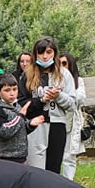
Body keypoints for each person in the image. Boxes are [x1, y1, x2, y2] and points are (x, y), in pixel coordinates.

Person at [24, 36, 76, 174]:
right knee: (35, 168)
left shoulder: (64, 74)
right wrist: (41, 100)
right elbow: (22, 104)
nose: (45, 57)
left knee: (53, 168)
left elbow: (72, 104)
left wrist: (58, 96)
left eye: (48, 52)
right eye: (41, 53)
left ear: (54, 53)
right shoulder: (27, 75)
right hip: (36, 125)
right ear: (35, 55)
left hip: (57, 123)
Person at [0, 73, 43, 163]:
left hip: (19, 157)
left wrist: (30, 124)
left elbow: (20, 128)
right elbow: (4, 131)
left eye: (14, 89)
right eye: (7, 90)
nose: (12, 93)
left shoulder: (17, 106)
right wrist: (20, 116)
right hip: (3, 158)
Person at [59, 52, 86, 181]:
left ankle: (68, 181)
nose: (62, 67)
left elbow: (79, 98)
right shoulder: (54, 79)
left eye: (64, 63)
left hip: (72, 121)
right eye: (59, 64)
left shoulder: (78, 81)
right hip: (57, 119)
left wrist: (64, 93)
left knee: (69, 156)